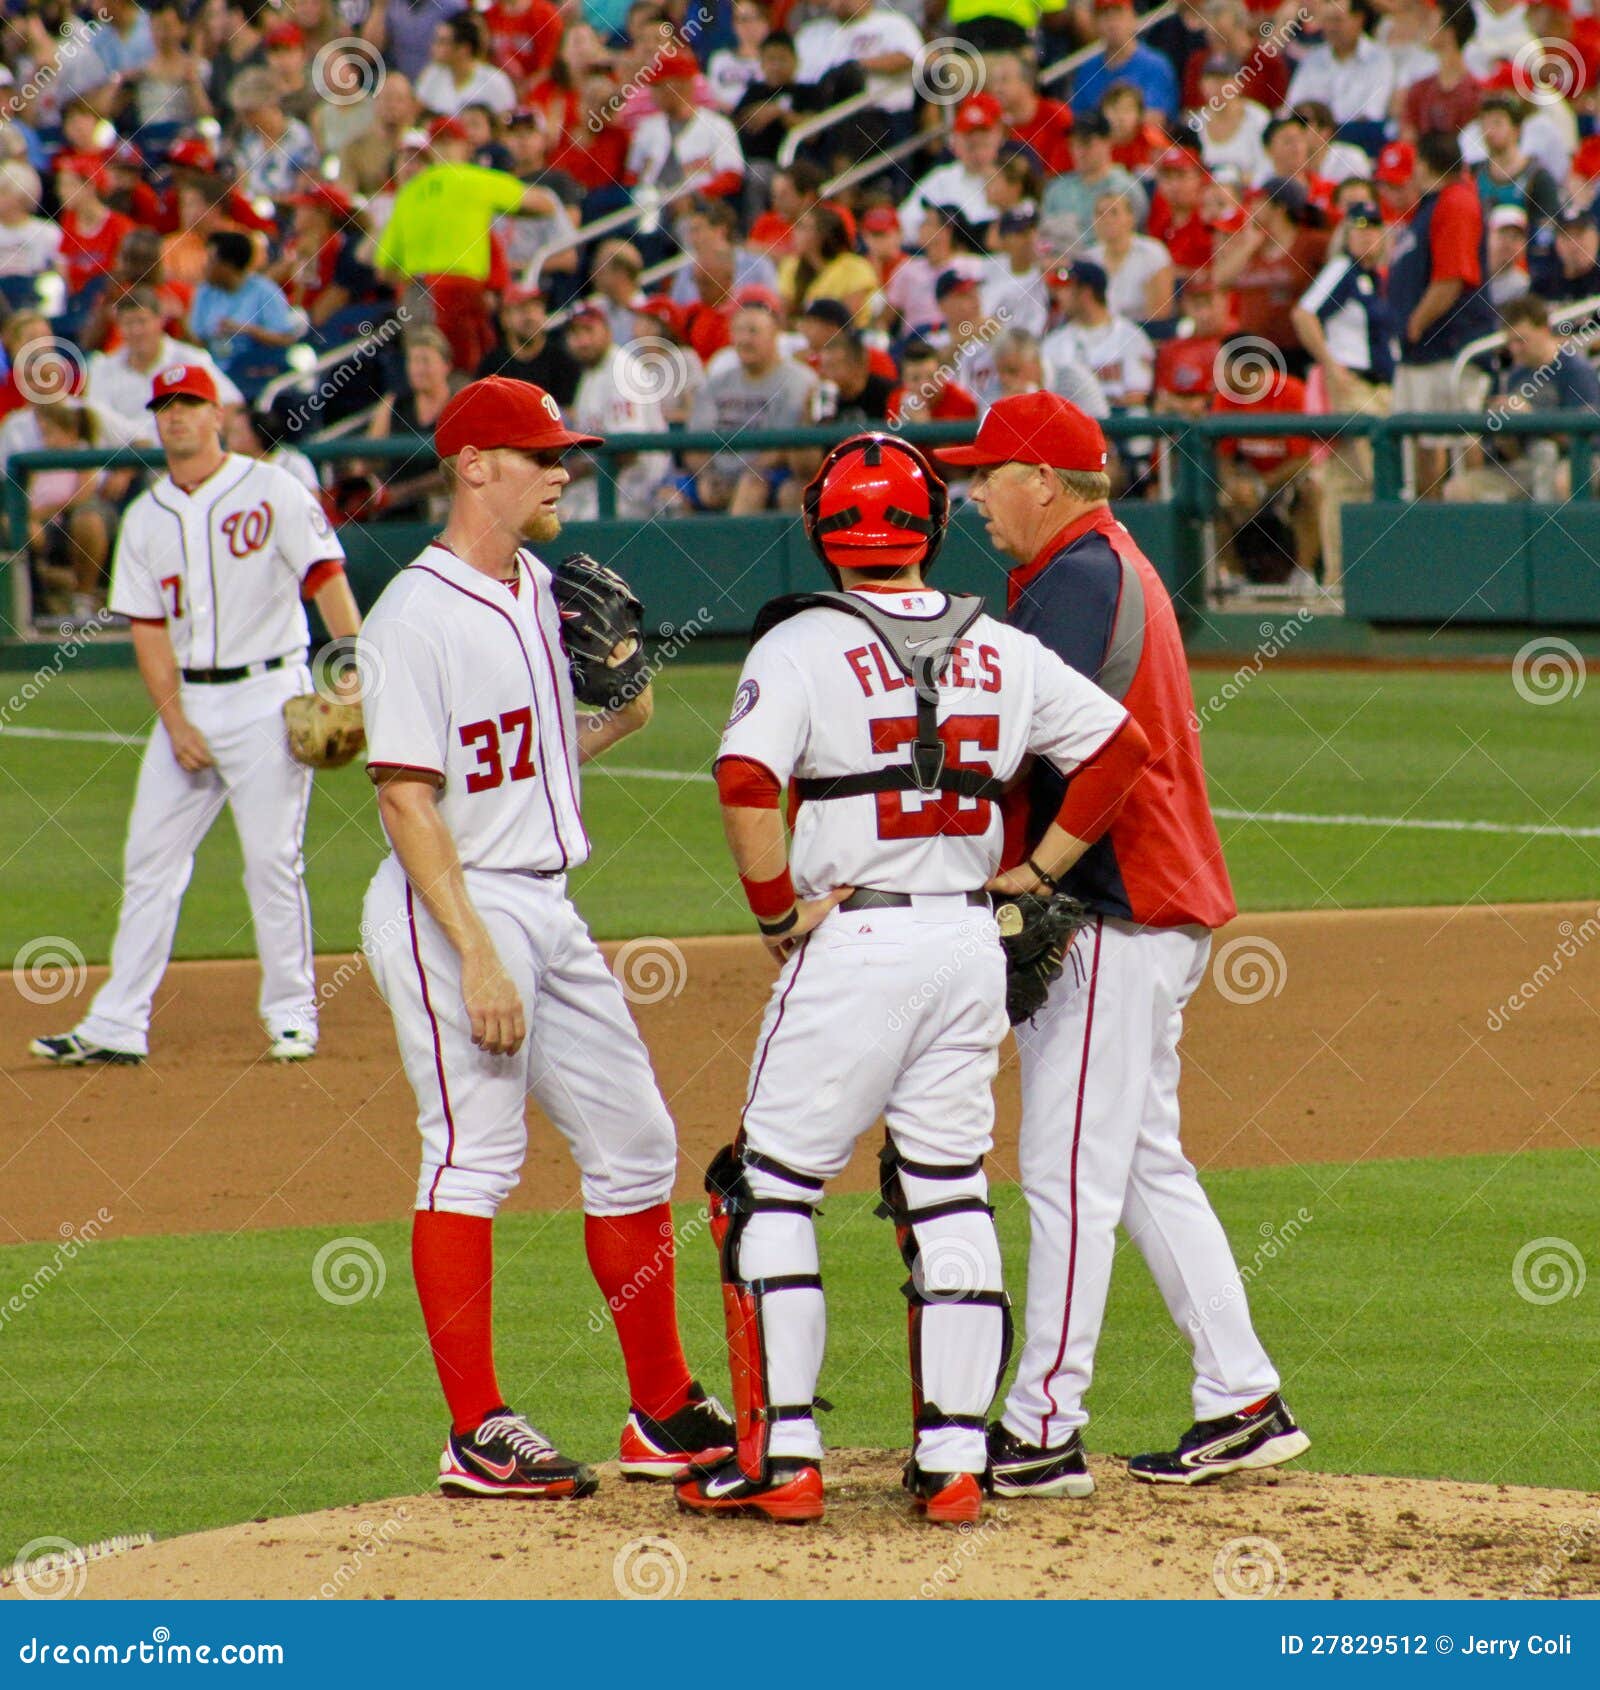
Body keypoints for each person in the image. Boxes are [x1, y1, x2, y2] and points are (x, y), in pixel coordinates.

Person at [677, 429, 1145, 1524]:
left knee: (770, 1188)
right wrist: (1033, 872)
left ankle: (784, 1458)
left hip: (857, 940)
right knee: (945, 1189)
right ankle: (953, 1461)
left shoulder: (799, 643)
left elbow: (746, 778)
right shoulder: (1001, 644)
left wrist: (774, 913)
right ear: (930, 527)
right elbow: (1120, 753)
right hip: (968, 944)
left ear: (824, 532)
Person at [355, 375, 736, 1500]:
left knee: (636, 1141)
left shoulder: (534, 583)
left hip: (545, 905)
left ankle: (661, 1408)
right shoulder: (413, 615)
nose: (564, 468)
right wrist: (471, 947)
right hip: (452, 903)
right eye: (540, 453)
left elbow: (533, 760)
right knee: (474, 1155)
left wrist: (625, 706)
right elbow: (408, 800)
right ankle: (475, 1429)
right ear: (474, 466)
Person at [934, 392, 1308, 1496]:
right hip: (1146, 909)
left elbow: (1028, 743)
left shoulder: (1079, 577)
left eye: (987, 473)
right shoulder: (1098, 564)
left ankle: (1044, 1422)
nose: (973, 494)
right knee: (1140, 1159)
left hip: (1115, 910)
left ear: (1042, 480)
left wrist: (1030, 870)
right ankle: (1241, 1394)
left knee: (1064, 1171)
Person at [29, 364, 360, 1068]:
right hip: (192, 702)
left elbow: (325, 575)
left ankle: (293, 1015)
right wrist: (175, 721)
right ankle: (118, 1022)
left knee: (271, 862)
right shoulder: (147, 515)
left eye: (188, 403)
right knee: (149, 862)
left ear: (217, 414)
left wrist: (353, 666)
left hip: (271, 695)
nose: (175, 416)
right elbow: (147, 629)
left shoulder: (272, 489)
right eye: (165, 406)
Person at [1291, 203, 1396, 587]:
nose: (1368, 236)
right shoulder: (1343, 269)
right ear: (1347, 234)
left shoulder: (1375, 277)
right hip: (1356, 389)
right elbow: (1304, 314)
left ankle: (1345, 579)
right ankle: (1352, 580)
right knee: (1371, 476)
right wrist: (1331, 366)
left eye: (1375, 229)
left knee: (1347, 484)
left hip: (1376, 387)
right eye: (1360, 229)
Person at [1387, 130, 1495, 498]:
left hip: (1448, 344)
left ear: (1422, 163)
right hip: (1424, 351)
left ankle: (1470, 527)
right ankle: (1428, 534)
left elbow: (1451, 278)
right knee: (1422, 444)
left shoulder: (1456, 202)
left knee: (1454, 440)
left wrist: (1416, 323)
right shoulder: (1432, 204)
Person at [682, 289, 814, 513]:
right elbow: (695, 445)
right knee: (669, 497)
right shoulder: (716, 382)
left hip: (768, 475)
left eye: (753, 331)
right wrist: (708, 475)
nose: (744, 340)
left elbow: (784, 449)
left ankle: (731, 549)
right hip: (716, 473)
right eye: (738, 331)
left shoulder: (799, 380)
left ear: (774, 332)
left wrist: (736, 478)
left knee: (752, 486)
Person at [1210, 338, 1320, 583]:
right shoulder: (1225, 397)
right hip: (1250, 474)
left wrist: (1261, 484)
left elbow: (1305, 459)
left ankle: (1304, 575)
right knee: (1214, 497)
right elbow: (1224, 455)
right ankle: (1234, 576)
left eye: (1223, 364)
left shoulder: (1292, 391)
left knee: (1312, 490)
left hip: (1287, 475)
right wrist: (1233, 484)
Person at [86, 286, 244, 437]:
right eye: (128, 323)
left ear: (159, 320)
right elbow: (96, 420)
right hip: (121, 458)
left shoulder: (191, 359)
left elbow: (231, 402)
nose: (136, 331)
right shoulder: (101, 366)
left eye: (142, 321)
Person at [562, 302, 673, 518]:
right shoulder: (591, 372)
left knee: (582, 523)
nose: (582, 341)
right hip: (601, 483)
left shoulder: (622, 371)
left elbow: (627, 451)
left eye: (588, 330)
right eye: (575, 333)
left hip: (638, 489)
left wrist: (576, 471)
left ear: (607, 331)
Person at [188, 230, 309, 401]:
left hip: (255, 370)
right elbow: (196, 336)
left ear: (228, 266)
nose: (204, 266)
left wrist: (247, 330)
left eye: (211, 260)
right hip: (215, 371)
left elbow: (285, 340)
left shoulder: (265, 291)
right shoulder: (204, 292)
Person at [898, 93, 1009, 244]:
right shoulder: (941, 178)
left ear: (998, 136)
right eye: (968, 136)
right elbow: (905, 221)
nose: (975, 143)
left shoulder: (1011, 178)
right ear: (956, 139)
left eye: (983, 136)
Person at [1283, 0, 1395, 123]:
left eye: (1337, 20)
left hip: (1357, 135)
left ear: (1359, 20)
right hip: (1312, 135)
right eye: (1327, 21)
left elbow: (1373, 113)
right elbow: (1293, 105)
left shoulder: (1379, 59)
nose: (1331, 27)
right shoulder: (1312, 59)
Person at [1070, 0, 1179, 121]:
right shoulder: (1087, 70)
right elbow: (1079, 120)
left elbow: (1155, 119)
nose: (1112, 24)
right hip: (1099, 139)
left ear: (1133, 17)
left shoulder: (1156, 65)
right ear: (1095, 23)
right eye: (1105, 16)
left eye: (1118, 15)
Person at [475, 283, 580, 405]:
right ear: (504, 318)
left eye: (535, 307)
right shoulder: (491, 366)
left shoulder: (564, 363)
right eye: (521, 309)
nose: (529, 316)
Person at [1087, 189, 1175, 324]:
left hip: (1143, 331)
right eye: (1100, 214)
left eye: (1114, 213)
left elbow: (1160, 314)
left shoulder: (1152, 253)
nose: (1107, 220)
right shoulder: (1089, 259)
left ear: (1130, 218)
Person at [416, 11, 517, 117]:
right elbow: (418, 116)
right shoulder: (431, 75)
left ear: (463, 49)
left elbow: (506, 123)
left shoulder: (495, 82)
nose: (434, 48)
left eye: (442, 42)